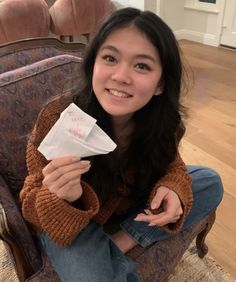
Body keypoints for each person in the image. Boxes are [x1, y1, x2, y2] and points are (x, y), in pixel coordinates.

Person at [20, 7, 223, 282]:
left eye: (141, 65)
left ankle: (120, 242)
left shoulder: (164, 123)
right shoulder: (58, 118)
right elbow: (31, 209)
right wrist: (58, 197)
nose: (121, 76)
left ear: (160, 83)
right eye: (110, 58)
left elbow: (173, 165)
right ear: (93, 64)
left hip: (129, 209)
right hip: (76, 223)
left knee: (209, 181)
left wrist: (173, 187)